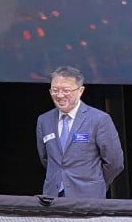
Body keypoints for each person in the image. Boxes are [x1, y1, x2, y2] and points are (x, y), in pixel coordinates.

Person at [36, 65, 124, 198]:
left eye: (66, 90)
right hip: (53, 198)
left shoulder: (99, 119)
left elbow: (115, 162)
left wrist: (96, 183)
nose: (59, 95)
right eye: (55, 90)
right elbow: (46, 159)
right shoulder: (44, 120)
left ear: (80, 91)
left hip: (88, 198)